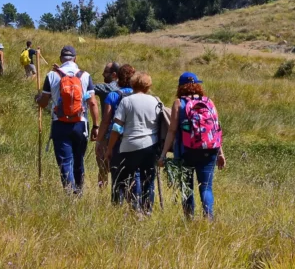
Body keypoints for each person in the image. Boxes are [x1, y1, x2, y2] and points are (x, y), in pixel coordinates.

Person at [159, 72, 226, 221]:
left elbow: (172, 130)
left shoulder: (179, 103)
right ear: (197, 85)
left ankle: (189, 220)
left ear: (180, 87)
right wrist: (220, 153)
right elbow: (216, 129)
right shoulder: (209, 102)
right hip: (210, 150)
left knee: (186, 187)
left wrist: (163, 154)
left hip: (185, 151)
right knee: (206, 187)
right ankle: (208, 219)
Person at [37, 45, 100, 193]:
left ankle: (70, 193)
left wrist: (38, 99)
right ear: (75, 58)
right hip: (81, 124)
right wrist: (96, 126)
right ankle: (79, 190)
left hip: (60, 124)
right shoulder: (85, 76)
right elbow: (92, 102)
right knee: (79, 159)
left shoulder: (52, 76)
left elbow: (44, 102)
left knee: (65, 161)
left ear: (61, 59)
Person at [106, 71, 160, 214]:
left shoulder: (126, 101)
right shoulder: (156, 101)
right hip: (150, 145)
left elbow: (117, 127)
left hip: (129, 146)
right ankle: (147, 211)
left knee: (126, 179)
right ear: (148, 86)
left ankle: (133, 208)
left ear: (132, 84)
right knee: (148, 181)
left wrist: (110, 148)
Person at [97, 64, 135, 199]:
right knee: (133, 173)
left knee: (111, 170)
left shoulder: (113, 95)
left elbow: (106, 121)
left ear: (117, 77)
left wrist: (100, 140)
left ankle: (111, 199)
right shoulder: (139, 95)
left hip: (115, 138)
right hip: (135, 138)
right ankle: (133, 200)